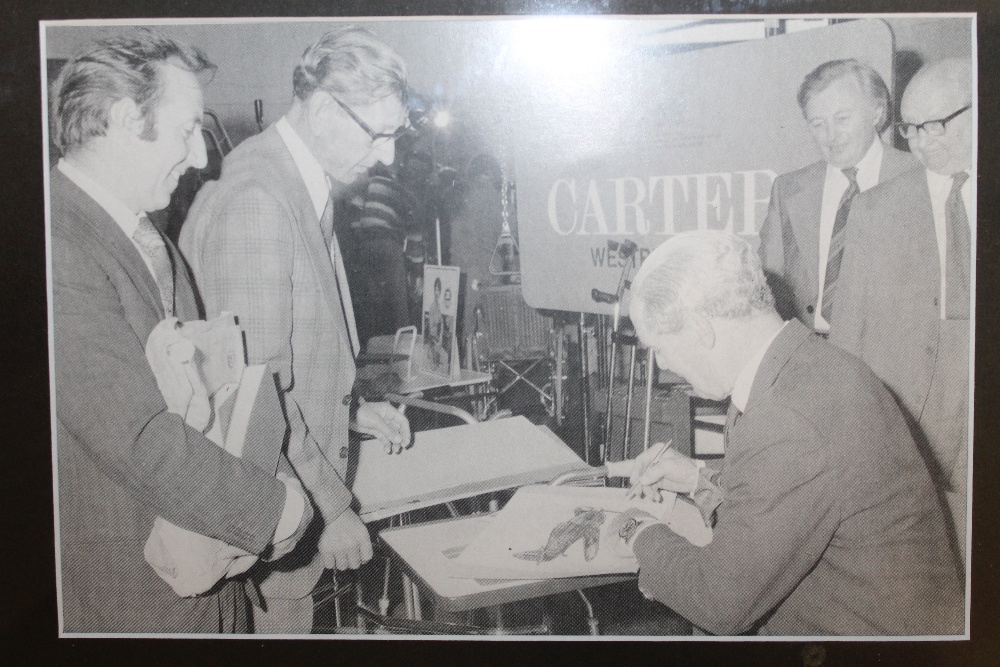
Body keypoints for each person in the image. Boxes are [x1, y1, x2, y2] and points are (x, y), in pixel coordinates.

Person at [49, 29, 311, 633]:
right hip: (133, 603)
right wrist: (276, 508)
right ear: (121, 119)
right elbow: (136, 435)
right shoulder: (55, 243)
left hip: (207, 588)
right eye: (187, 128)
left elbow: (214, 397)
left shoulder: (147, 237)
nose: (200, 157)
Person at [613, 230, 962, 636]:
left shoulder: (788, 415)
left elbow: (717, 601)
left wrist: (636, 529)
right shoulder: (804, 366)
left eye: (660, 347)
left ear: (699, 328)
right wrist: (698, 479)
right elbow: (790, 500)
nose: (663, 365)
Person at [180, 26, 411, 633]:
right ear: (325, 105)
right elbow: (259, 393)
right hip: (274, 523)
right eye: (378, 133)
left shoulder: (291, 182)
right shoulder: (260, 199)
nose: (387, 155)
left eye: (397, 134)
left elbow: (282, 353)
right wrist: (334, 509)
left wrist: (350, 411)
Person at [832, 58, 974, 563]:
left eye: (938, 124)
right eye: (912, 128)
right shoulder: (875, 209)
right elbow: (846, 341)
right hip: (909, 418)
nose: (922, 141)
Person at [757, 59, 918, 331]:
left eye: (842, 119)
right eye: (818, 124)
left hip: (892, 353)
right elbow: (767, 284)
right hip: (810, 351)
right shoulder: (788, 189)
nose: (831, 135)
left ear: (877, 113)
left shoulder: (917, 177)